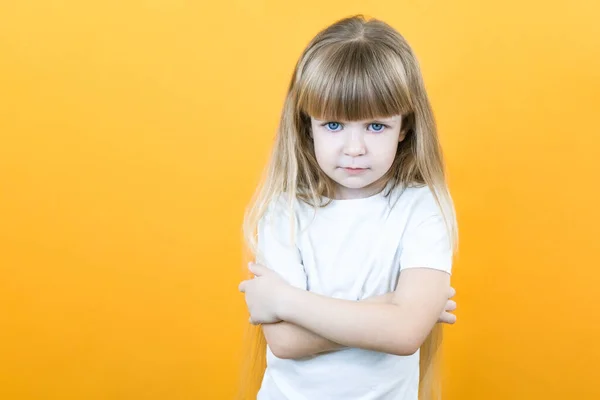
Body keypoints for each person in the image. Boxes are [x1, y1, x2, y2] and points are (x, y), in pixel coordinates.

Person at [238, 14, 459, 400]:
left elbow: (405, 333)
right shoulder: (285, 210)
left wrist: (285, 301)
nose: (354, 148)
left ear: (404, 127)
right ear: (307, 125)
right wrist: (389, 309)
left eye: (376, 126)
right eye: (334, 125)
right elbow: (285, 341)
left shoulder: (421, 208)